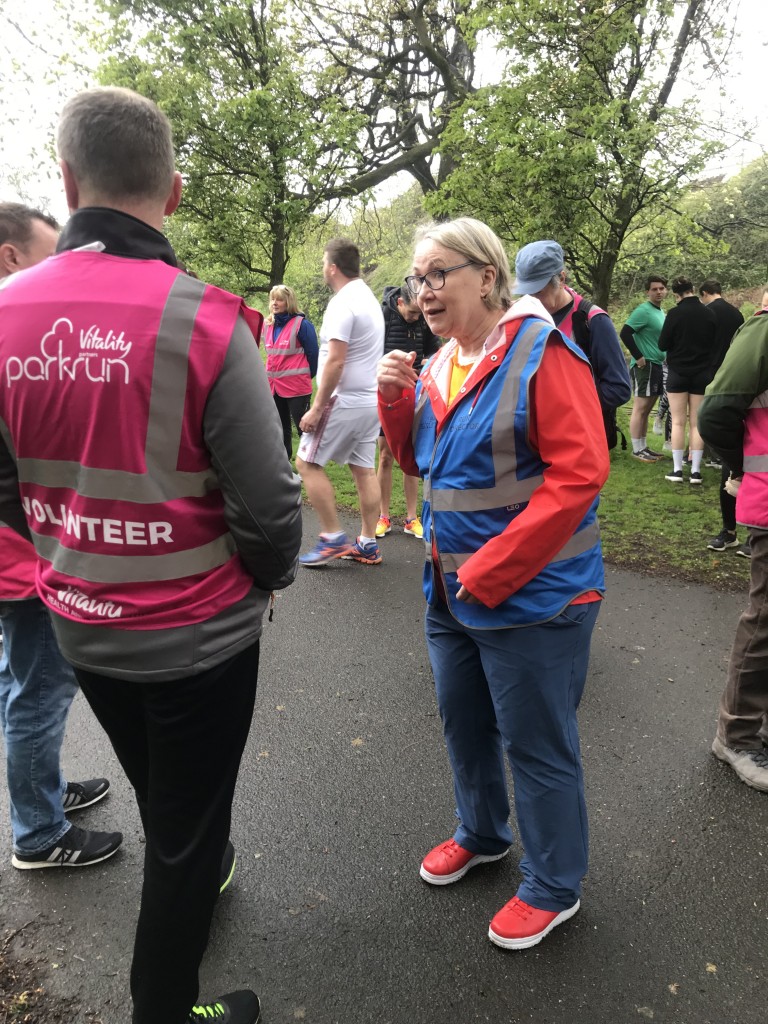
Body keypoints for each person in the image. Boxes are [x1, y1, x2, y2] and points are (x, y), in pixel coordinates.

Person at [0, 88, 302, 1024]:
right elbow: (273, 511)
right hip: (199, 640)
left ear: (66, 178)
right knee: (182, 837)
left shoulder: (5, 313)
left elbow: (7, 487)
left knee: (170, 804)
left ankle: (199, 867)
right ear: (172, 193)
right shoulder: (209, 321)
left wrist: (67, 550)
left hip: (82, 627)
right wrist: (260, 582)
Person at [378, 217, 609, 950]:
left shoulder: (545, 354)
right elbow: (418, 466)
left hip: (536, 598)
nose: (425, 290)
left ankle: (553, 885)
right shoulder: (445, 362)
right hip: (452, 595)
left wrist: (494, 570)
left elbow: (581, 474)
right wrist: (393, 400)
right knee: (465, 725)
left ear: (488, 274)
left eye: (439, 272)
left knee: (538, 745)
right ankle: (481, 833)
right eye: (419, 278)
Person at [0, 201, 122, 871]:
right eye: (49, 255)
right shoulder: (11, 329)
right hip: (22, 554)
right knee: (40, 688)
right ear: (12, 256)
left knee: (22, 681)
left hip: (19, 548)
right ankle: (39, 834)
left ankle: (41, 793)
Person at [698, 291, 768, 792]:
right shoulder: (763, 330)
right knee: (765, 620)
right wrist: (742, 469)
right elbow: (716, 413)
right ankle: (737, 737)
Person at [297, 238, 385, 566]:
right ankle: (367, 542)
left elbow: (335, 361)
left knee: (306, 463)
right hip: (368, 402)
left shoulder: (342, 303)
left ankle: (333, 536)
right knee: (364, 470)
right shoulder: (369, 299)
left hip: (343, 400)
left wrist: (317, 407)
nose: (323, 268)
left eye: (324, 263)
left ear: (333, 267)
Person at [514, 240, 631, 450]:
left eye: (538, 291)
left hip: (577, 441)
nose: (531, 299)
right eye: (526, 292)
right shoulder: (521, 317)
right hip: (530, 440)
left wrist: (564, 405)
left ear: (561, 278)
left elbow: (619, 389)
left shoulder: (593, 321)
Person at [376, 286, 440, 539]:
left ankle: (411, 519)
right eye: (413, 313)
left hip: (415, 393)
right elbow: (369, 353)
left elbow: (436, 349)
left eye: (419, 314)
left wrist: (429, 360)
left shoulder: (424, 318)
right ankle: (383, 516)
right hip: (388, 394)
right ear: (400, 302)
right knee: (385, 456)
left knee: (412, 455)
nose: (416, 317)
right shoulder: (383, 317)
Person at [699, 280, 746, 549]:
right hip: (730, 391)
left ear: (705, 293)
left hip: (724, 384)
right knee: (730, 471)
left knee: (748, 472)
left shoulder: (712, 312)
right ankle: (729, 531)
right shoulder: (741, 317)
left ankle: (753, 533)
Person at [657, 276, 717, 484]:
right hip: (702, 374)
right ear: (693, 289)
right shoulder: (709, 314)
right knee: (696, 423)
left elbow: (662, 344)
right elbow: (714, 345)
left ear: (676, 295)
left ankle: (676, 470)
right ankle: (696, 471)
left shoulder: (674, 314)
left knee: (678, 421)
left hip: (678, 373)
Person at [262, 284, 318, 460]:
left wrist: (306, 377)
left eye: (279, 299)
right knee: (280, 427)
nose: (275, 303)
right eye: (272, 299)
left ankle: (309, 465)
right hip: (274, 386)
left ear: (289, 302)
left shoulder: (302, 325)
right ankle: (285, 466)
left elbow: (313, 354)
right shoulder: (267, 325)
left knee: (304, 428)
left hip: (297, 387)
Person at [620, 276, 668, 462]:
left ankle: (644, 446)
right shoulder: (643, 311)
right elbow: (625, 332)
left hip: (656, 364)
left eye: (661, 288)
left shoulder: (660, 312)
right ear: (647, 292)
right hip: (645, 365)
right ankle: (637, 449)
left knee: (648, 408)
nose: (658, 292)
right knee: (640, 407)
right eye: (654, 289)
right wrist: (638, 356)